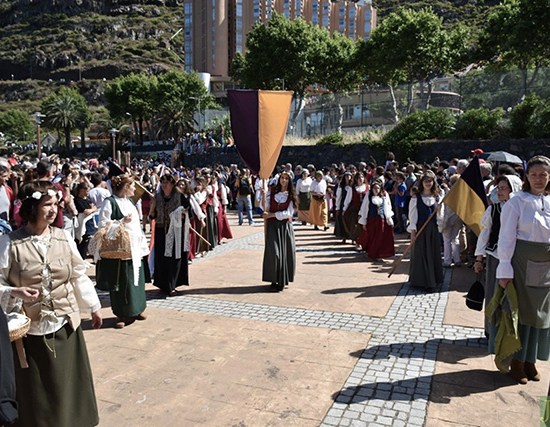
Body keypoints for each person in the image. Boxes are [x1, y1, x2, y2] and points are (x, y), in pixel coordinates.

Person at [0, 181, 102, 427]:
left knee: (67, 385)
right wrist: (14, 292)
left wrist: (93, 306)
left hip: (65, 325)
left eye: (56, 204)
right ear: (31, 207)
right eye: (47, 204)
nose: (53, 210)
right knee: (38, 391)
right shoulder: (9, 242)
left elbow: (77, 274)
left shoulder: (63, 237)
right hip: (30, 333)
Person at [495, 155, 550, 384]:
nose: (538, 179)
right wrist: (504, 269)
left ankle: (530, 360)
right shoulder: (516, 201)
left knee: (540, 315)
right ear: (526, 176)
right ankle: (516, 362)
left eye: (543, 175)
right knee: (522, 313)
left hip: (546, 266)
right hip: (520, 264)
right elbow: (506, 237)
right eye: (534, 174)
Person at [95, 173, 149, 329]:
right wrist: (121, 222)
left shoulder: (130, 201)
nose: (134, 189)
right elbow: (103, 226)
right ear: (125, 187)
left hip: (135, 248)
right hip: (119, 250)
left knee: (136, 280)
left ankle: (137, 308)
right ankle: (122, 313)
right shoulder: (110, 202)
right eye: (132, 186)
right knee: (122, 282)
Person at [474, 174, 522, 336]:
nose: (499, 192)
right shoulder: (493, 209)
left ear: (514, 189)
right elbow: (484, 234)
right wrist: (479, 259)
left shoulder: (523, 210)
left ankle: (511, 333)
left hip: (516, 259)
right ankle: (491, 331)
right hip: (495, 257)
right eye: (498, 188)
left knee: (513, 297)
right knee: (493, 294)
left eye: (503, 188)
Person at [148, 174, 190, 296]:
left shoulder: (179, 196)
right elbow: (152, 216)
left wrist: (182, 214)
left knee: (174, 259)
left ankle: (172, 284)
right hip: (161, 231)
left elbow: (189, 212)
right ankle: (163, 284)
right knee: (161, 259)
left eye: (166, 182)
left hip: (175, 231)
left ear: (172, 184)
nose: (164, 185)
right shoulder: (157, 197)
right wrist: (153, 206)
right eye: (162, 182)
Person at [407, 170, 444, 291]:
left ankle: (432, 280)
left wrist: (439, 211)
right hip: (420, 230)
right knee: (421, 254)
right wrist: (413, 232)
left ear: (433, 182)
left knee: (432, 254)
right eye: (426, 181)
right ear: (422, 182)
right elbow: (412, 216)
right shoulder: (416, 198)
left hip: (432, 230)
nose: (428, 183)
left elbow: (440, 216)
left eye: (430, 181)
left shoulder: (437, 197)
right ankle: (420, 281)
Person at [262, 172, 296, 292]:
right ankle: (273, 279)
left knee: (284, 254)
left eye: (286, 178)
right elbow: (265, 207)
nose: (284, 180)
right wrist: (263, 197)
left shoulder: (290, 196)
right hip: (272, 226)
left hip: (284, 227)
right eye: (282, 178)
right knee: (274, 253)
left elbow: (288, 213)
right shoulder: (272, 193)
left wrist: (272, 215)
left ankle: (281, 280)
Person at [357, 180, 395, 260]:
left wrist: (389, 218)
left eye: (378, 188)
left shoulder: (383, 197)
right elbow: (364, 209)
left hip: (381, 220)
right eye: (374, 188)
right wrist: (363, 221)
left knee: (379, 237)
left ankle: (377, 254)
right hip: (371, 220)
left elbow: (387, 208)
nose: (376, 190)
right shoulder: (368, 197)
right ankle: (371, 253)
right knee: (371, 237)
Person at [334, 172, 352, 243]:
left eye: (349, 176)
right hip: (342, 204)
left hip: (351, 205)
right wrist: (338, 207)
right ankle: (344, 237)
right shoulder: (341, 186)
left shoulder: (352, 186)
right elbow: (338, 197)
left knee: (351, 221)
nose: (348, 178)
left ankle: (352, 238)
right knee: (343, 221)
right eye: (346, 176)